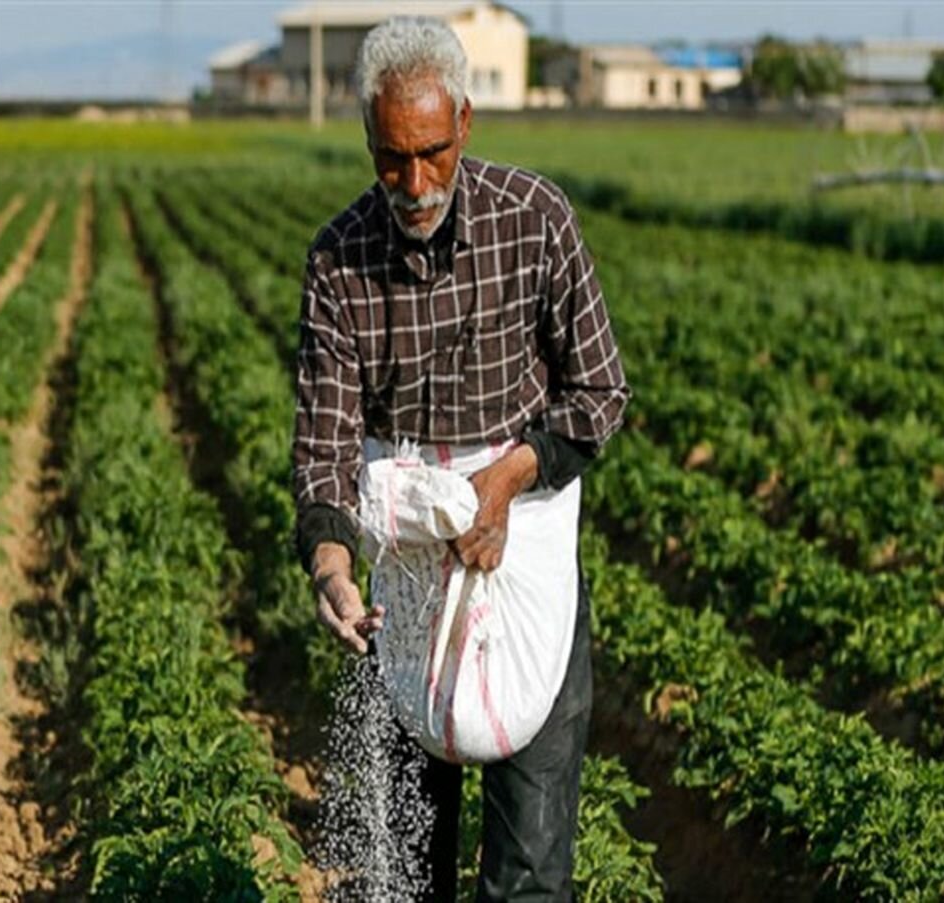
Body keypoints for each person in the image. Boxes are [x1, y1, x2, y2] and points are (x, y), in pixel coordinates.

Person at [290, 16, 629, 902]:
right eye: (391, 157)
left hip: (524, 568)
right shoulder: (339, 261)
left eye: (432, 152)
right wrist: (333, 572)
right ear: (367, 138)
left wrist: (506, 482)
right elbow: (325, 445)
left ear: (465, 125)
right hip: (405, 584)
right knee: (405, 868)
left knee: (527, 871)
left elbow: (600, 396)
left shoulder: (535, 221)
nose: (413, 181)